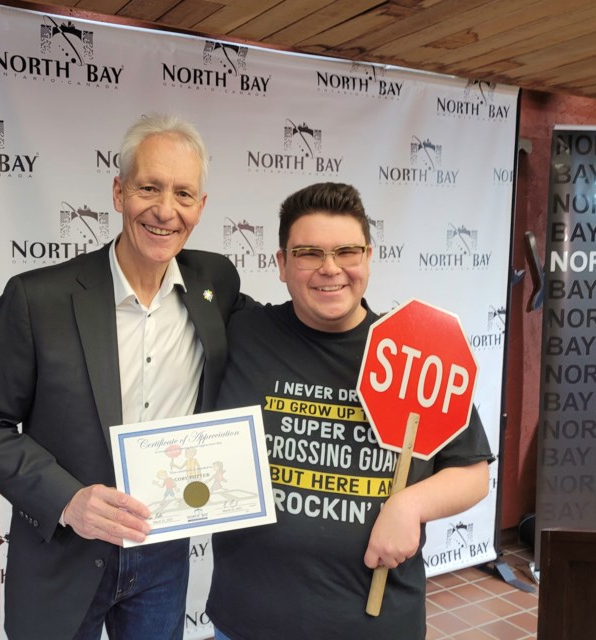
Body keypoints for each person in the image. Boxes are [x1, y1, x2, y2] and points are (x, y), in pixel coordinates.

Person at [0, 113, 244, 640]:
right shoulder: (36, 298)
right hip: (62, 555)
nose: (164, 210)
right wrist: (68, 499)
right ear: (118, 192)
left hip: (162, 554)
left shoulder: (214, 282)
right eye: (149, 187)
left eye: (183, 194)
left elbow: (279, 333)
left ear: (200, 208)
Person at [207, 182, 493, 640]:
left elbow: (473, 473)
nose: (330, 269)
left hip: (372, 624)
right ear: (282, 264)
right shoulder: (243, 331)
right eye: (308, 253)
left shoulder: (416, 350)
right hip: (247, 621)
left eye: (347, 251)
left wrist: (410, 504)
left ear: (368, 257)